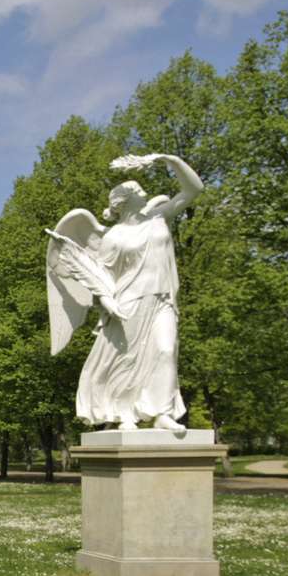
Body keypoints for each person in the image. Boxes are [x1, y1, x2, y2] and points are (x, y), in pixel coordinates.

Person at [44, 153, 204, 430]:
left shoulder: (157, 217)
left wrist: (169, 159)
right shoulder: (113, 237)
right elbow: (99, 276)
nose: (146, 194)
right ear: (125, 201)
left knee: (166, 350)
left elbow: (194, 189)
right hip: (129, 302)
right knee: (126, 359)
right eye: (140, 192)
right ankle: (124, 412)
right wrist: (106, 300)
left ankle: (162, 413)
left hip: (162, 298)